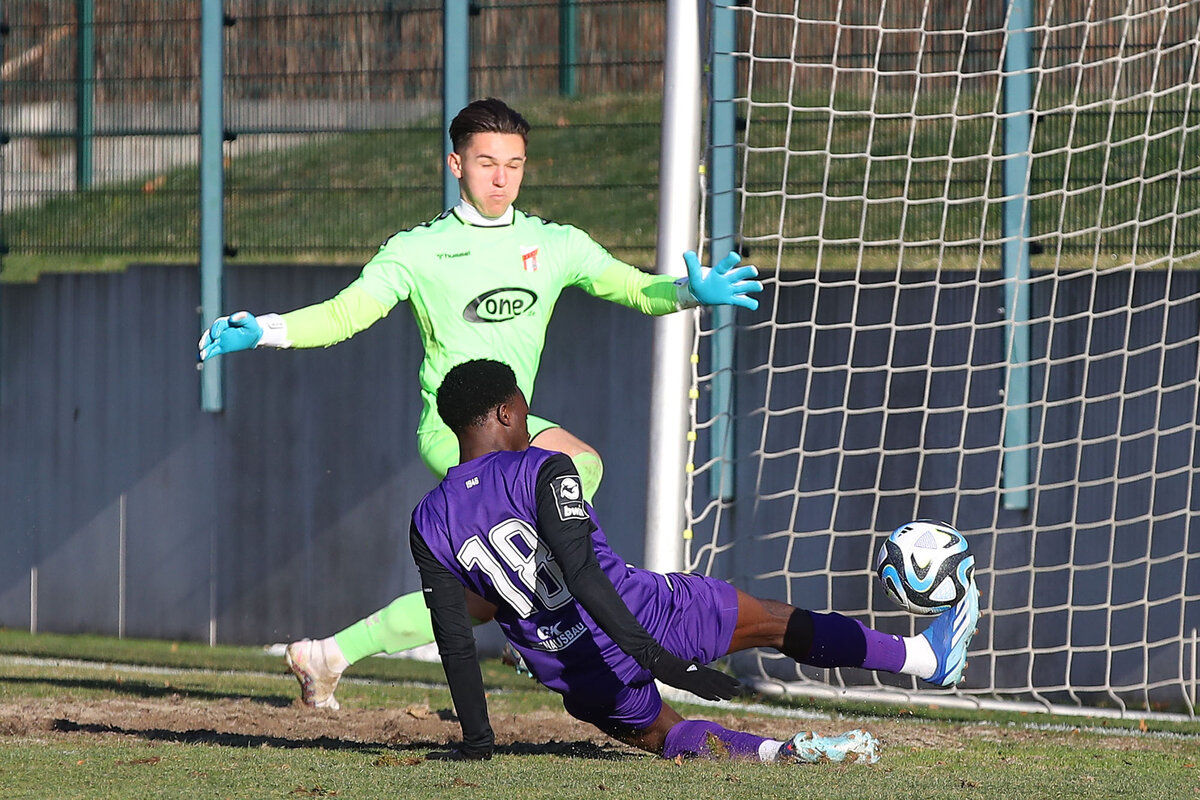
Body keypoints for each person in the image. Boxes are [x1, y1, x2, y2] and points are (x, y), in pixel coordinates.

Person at [196, 98, 763, 709]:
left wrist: (688, 292)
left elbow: (632, 287)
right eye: (487, 163)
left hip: (515, 428)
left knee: (499, 578)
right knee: (559, 487)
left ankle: (329, 655)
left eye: (514, 165)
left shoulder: (554, 243)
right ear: (456, 165)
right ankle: (541, 609)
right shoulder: (418, 250)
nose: (501, 178)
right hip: (456, 434)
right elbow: (344, 314)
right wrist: (267, 329)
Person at [409, 358, 982, 763]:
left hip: (574, 670)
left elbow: (455, 638)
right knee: (775, 623)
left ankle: (783, 755)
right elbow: (581, 573)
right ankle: (922, 657)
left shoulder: (428, 518)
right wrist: (661, 660)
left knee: (668, 738)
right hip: (647, 614)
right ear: (507, 411)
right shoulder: (541, 467)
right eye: (524, 406)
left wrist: (477, 742)